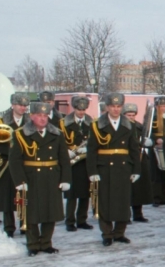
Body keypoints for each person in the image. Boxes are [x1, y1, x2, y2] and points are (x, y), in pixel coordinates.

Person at [8, 102, 71, 256]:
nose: (43, 119)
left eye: (45, 115)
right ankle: (33, 244)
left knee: (51, 212)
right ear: (32, 116)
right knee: (32, 213)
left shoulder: (56, 133)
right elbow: (15, 160)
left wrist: (65, 179)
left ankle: (46, 243)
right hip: (31, 177)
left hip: (52, 177)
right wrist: (20, 181)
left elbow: (64, 159)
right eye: (39, 115)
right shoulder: (20, 134)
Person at [86, 93, 141, 247]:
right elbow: (91, 150)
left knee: (123, 201)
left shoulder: (129, 125)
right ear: (107, 107)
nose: (116, 109)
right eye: (112, 106)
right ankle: (107, 233)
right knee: (105, 201)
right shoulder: (97, 125)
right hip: (104, 167)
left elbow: (134, 149)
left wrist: (136, 169)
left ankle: (119, 233)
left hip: (123, 167)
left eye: (118, 106)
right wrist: (92, 171)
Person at [0, 93, 30, 237]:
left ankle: (25, 224)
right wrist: (10, 151)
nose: (23, 108)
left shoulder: (30, 121)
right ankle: (9, 227)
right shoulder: (0, 122)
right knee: (7, 196)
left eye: (25, 105)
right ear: (13, 105)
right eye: (20, 105)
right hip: (6, 164)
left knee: (24, 194)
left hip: (24, 163)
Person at [60, 95, 94, 231]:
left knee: (85, 193)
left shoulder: (92, 123)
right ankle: (69, 221)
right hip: (71, 162)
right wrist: (66, 151)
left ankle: (82, 220)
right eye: (79, 109)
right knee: (72, 194)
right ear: (74, 108)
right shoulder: (63, 123)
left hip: (85, 162)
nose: (81, 112)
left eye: (84, 109)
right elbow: (59, 141)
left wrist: (88, 149)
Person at [123, 103, 153, 224]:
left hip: (140, 158)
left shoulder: (139, 126)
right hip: (127, 158)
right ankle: (126, 215)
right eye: (128, 115)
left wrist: (149, 142)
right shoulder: (122, 127)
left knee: (139, 188)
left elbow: (147, 138)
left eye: (133, 115)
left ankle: (138, 214)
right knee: (127, 189)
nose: (131, 117)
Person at [145, 96, 165, 207]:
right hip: (155, 147)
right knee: (155, 174)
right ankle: (156, 197)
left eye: (164, 106)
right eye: (160, 106)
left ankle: (164, 196)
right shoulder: (151, 117)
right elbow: (147, 131)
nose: (162, 108)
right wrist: (155, 139)